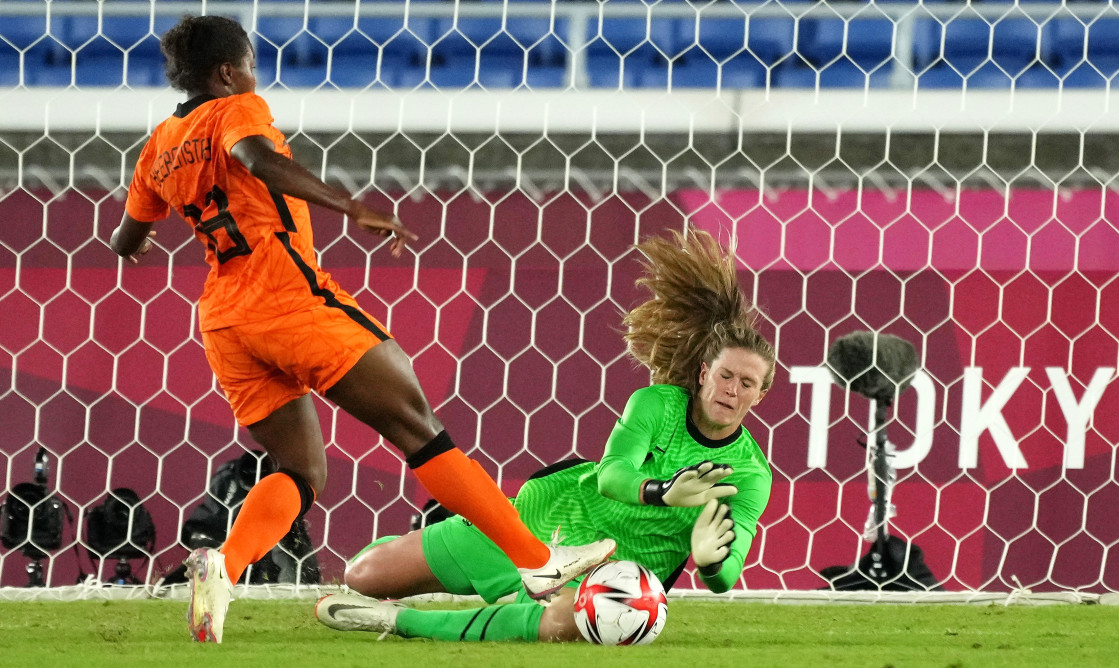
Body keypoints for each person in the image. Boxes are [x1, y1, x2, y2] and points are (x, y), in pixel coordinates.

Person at [108, 15, 615, 643]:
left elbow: (125, 235)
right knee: (417, 427)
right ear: (227, 72)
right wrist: (350, 206)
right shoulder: (237, 109)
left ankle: (225, 565)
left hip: (224, 321)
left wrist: (140, 239)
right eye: (250, 63)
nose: (253, 74)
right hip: (287, 300)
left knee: (299, 470)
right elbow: (256, 158)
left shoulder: (158, 145)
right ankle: (538, 563)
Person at [315, 229, 777, 643]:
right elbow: (611, 476)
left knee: (565, 622)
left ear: (760, 395)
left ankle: (397, 622)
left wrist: (713, 564)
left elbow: (729, 569)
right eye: (726, 376)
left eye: (747, 384)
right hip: (544, 525)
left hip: (614, 575)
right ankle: (458, 562)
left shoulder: (751, 473)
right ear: (702, 373)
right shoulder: (657, 404)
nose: (732, 391)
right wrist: (663, 492)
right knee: (361, 576)